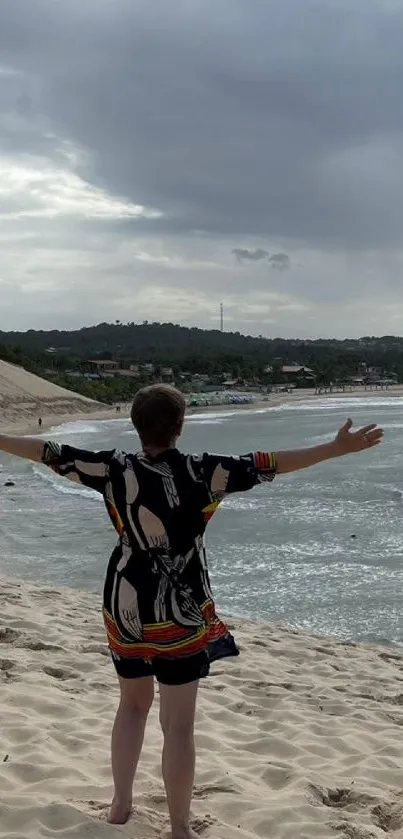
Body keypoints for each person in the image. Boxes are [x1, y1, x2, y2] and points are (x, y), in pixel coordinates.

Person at [0, 385, 383, 837]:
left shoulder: (112, 468)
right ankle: (179, 827)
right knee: (178, 723)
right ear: (180, 426)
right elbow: (274, 462)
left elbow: (49, 451)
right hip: (181, 609)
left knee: (131, 707)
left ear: (136, 424)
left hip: (125, 602)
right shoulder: (207, 472)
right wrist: (337, 448)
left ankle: (120, 805)